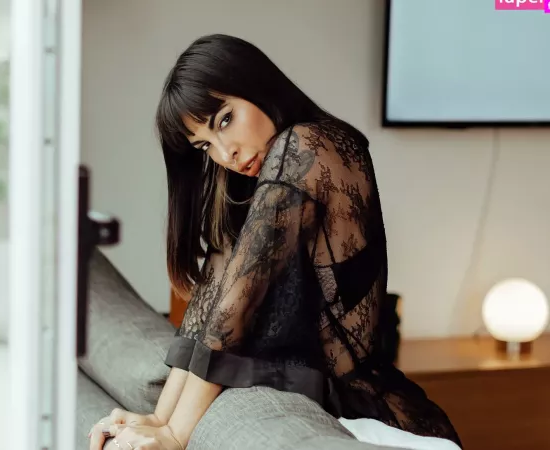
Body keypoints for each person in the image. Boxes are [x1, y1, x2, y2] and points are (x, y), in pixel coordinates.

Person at [89, 33, 462, 450]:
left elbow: (238, 302)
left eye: (225, 120)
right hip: (338, 411)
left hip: (383, 418)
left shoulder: (309, 145)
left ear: (255, 85)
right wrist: (161, 419)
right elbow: (210, 307)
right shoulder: (258, 179)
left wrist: (176, 434)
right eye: (205, 145)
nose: (225, 153)